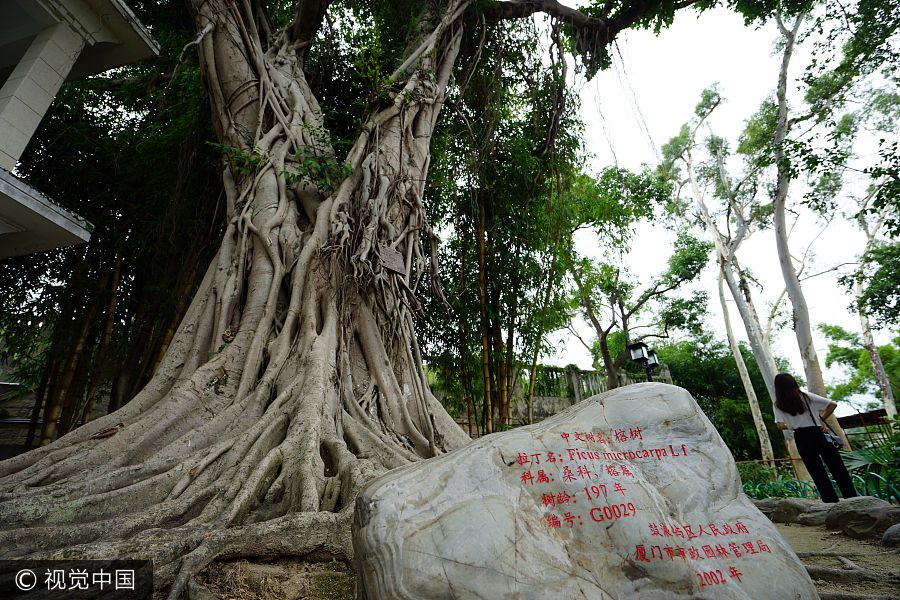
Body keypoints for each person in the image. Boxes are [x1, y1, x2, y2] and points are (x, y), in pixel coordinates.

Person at [772, 373, 857, 503]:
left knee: (816, 471)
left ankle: (830, 501)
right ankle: (851, 497)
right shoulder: (806, 397)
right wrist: (821, 419)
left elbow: (780, 425)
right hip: (817, 433)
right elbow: (832, 405)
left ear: (777, 387)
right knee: (837, 467)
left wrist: (793, 425)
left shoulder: (778, 404)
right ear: (793, 383)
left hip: (801, 437)